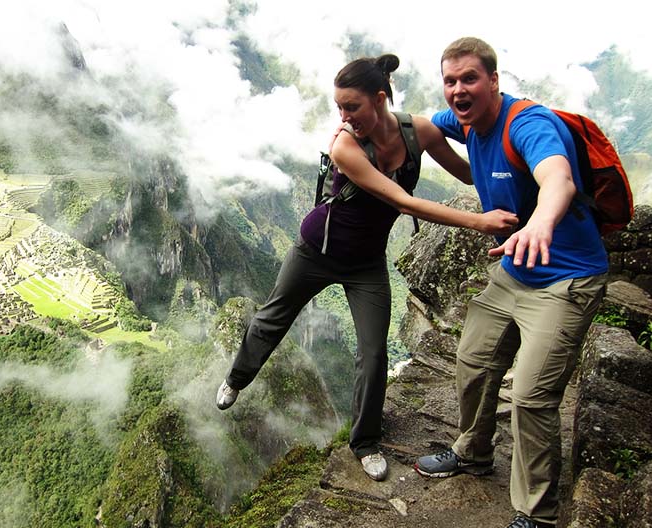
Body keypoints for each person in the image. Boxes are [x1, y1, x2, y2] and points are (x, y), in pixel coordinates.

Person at [215, 53, 519, 482]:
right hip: (315, 250)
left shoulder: (422, 132)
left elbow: (471, 175)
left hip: (366, 263)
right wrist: (479, 221)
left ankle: (365, 443)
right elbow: (401, 201)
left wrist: (513, 172)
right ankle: (236, 379)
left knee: (374, 354)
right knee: (272, 320)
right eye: (339, 108)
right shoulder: (345, 145)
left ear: (379, 99)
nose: (343, 117)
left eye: (351, 107)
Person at [413, 37, 608, 528]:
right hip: (513, 272)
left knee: (531, 396)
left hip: (566, 279)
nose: (458, 89)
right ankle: (474, 452)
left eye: (470, 79)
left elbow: (558, 179)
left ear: (494, 82)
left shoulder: (527, 124)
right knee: (474, 360)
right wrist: (359, 119)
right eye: (450, 80)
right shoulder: (462, 120)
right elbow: (418, 127)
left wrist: (541, 223)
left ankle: (537, 516)